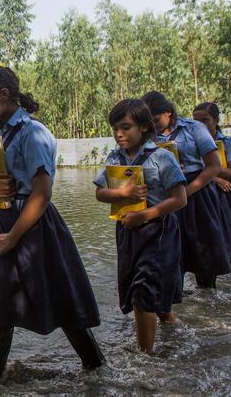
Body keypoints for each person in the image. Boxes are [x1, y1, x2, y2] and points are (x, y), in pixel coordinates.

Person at [0, 64, 105, 383]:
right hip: (4, 224)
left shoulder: (33, 133)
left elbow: (42, 195)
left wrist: (14, 237)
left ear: (3, 95)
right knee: (0, 304)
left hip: (34, 229)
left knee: (64, 301)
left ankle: (96, 368)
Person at [94, 99, 187, 353]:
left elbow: (180, 198)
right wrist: (122, 193)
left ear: (145, 128)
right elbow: (100, 193)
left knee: (143, 292)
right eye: (115, 129)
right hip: (126, 232)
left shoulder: (162, 157)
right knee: (137, 286)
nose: (119, 134)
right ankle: (170, 323)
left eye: (126, 127)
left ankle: (145, 356)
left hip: (157, 233)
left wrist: (145, 215)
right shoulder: (115, 158)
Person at [142, 91, 231, 288]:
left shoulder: (194, 128)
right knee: (169, 251)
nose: (153, 125)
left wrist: (188, 191)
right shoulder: (146, 135)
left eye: (156, 119)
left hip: (197, 193)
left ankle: (208, 299)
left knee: (203, 251)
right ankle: (174, 300)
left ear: (168, 113)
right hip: (164, 195)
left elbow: (214, 166)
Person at [193, 102, 231, 270]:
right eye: (196, 121)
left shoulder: (227, 143)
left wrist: (209, 169)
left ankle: (227, 290)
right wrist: (215, 178)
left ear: (216, 120)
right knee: (204, 247)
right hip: (203, 202)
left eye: (205, 120)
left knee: (227, 245)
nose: (200, 125)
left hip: (225, 202)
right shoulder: (191, 145)